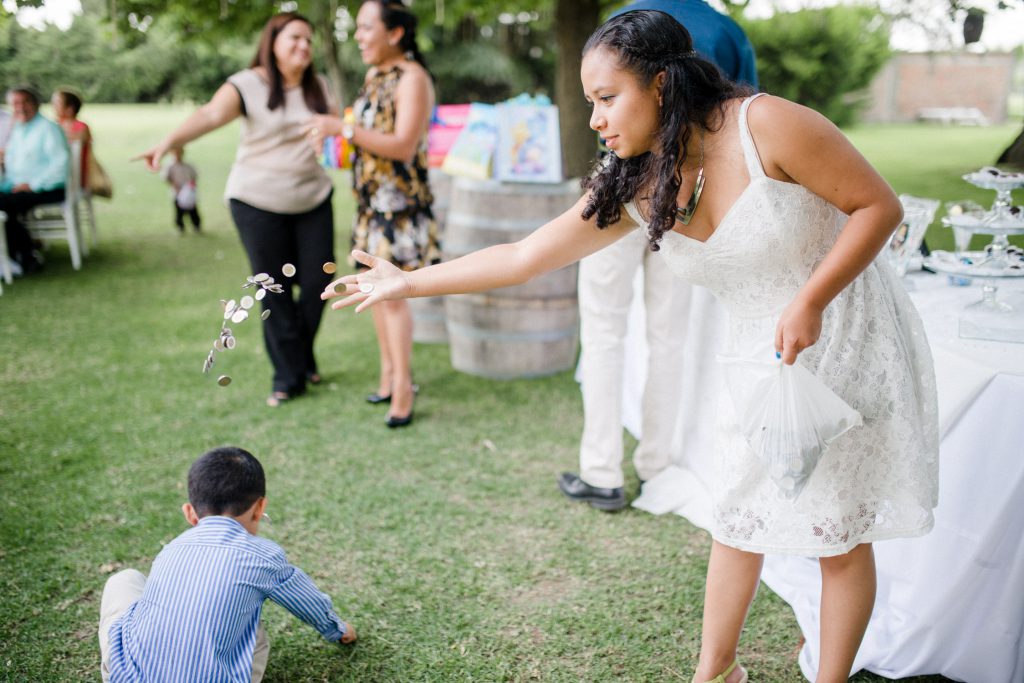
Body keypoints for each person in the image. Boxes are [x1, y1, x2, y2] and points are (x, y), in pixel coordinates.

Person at [322, 10, 939, 682]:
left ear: (664, 86)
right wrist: (406, 281)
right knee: (734, 512)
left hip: (841, 329)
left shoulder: (769, 125)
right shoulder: (639, 180)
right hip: (753, 351)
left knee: (836, 531)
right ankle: (714, 671)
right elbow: (525, 254)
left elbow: (878, 206)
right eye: (591, 102)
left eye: (607, 98)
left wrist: (812, 298)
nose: (595, 119)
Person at [560, 0, 759, 512]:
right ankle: (656, 464)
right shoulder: (727, 31)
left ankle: (601, 471)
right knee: (669, 336)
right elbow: (741, 114)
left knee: (604, 329)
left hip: (626, 181)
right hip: (693, 192)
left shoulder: (627, 20)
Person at [137, 13, 339, 407]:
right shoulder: (248, 84)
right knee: (274, 290)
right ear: (273, 42)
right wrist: (167, 142)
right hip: (257, 202)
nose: (304, 46)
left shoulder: (320, 86)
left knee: (319, 283)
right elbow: (210, 115)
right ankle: (288, 377)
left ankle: (299, 357)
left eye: (309, 40)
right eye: (295, 38)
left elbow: (334, 131)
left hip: (313, 198)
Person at [97, 446, 356, 683]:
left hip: (127, 675)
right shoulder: (264, 555)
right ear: (260, 507)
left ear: (189, 513)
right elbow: (307, 602)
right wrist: (338, 629)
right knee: (253, 629)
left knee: (125, 579)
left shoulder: (172, 548)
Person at [304, 0, 439, 428]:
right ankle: (388, 376)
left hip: (398, 209)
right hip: (369, 206)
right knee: (373, 295)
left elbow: (401, 145)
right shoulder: (374, 75)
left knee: (393, 299)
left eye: (366, 28)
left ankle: (403, 388)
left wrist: (341, 127)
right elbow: (364, 138)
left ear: (395, 33)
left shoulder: (413, 78)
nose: (359, 37)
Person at [0, 87, 70, 275]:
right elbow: (12, 165)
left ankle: (23, 256)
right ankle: (21, 254)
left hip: (47, 187)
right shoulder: (18, 129)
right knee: (5, 203)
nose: (20, 107)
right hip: (18, 187)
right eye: (15, 103)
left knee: (4, 205)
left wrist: (32, 185)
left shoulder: (48, 128)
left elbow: (60, 165)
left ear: (36, 104)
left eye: (25, 102)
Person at [51, 89, 91, 187]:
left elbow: (81, 139)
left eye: (57, 103)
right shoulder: (53, 125)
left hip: (73, 175)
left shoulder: (81, 127)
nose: (53, 106)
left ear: (70, 108)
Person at [161, 147, 202, 233]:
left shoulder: (188, 166)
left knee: (193, 211)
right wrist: (175, 186)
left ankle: (196, 226)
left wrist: (190, 187)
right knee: (179, 212)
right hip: (177, 193)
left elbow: (194, 177)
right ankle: (180, 227)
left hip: (188, 192)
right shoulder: (170, 166)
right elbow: (166, 178)